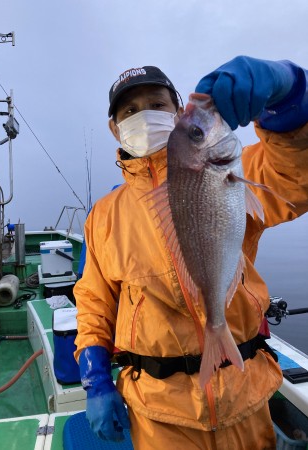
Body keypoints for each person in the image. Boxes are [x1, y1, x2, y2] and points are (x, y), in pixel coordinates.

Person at [73, 57, 308, 449]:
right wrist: (96, 381)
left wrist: (290, 97)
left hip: (245, 398)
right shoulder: (103, 217)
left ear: (178, 111)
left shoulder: (233, 167)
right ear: (115, 129)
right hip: (158, 413)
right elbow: (94, 303)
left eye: (156, 104)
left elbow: (295, 174)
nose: (144, 116)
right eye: (130, 111)